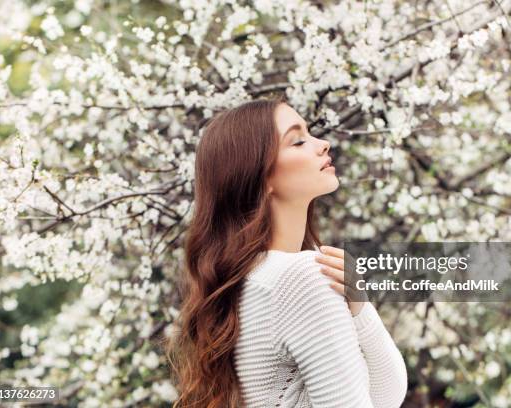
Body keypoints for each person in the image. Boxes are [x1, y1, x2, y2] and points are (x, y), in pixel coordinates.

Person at [167, 97, 408, 407]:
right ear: (260, 177)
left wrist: (359, 306)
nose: (322, 144)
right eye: (297, 141)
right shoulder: (299, 277)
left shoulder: (252, 280)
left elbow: (385, 394)